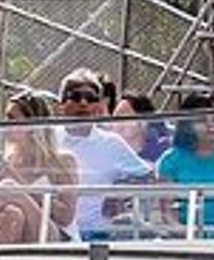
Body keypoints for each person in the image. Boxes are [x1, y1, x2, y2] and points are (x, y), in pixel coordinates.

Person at [0, 91, 78, 246]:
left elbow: (65, 217)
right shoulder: (5, 160)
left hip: (53, 235)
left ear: (32, 125)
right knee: (12, 214)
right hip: (16, 226)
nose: (5, 124)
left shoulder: (62, 161)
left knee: (9, 187)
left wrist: (18, 183)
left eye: (12, 118)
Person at [54, 67, 152, 239]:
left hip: (95, 234)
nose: (83, 103)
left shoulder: (111, 142)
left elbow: (149, 176)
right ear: (60, 105)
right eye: (75, 97)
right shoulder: (49, 139)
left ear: (98, 106)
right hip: (54, 232)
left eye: (91, 98)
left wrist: (119, 193)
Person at [154, 92, 214, 235]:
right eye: (201, 120)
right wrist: (190, 237)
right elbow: (167, 213)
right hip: (186, 240)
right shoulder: (170, 160)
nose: (210, 126)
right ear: (186, 124)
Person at [110, 90, 171, 162]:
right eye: (116, 116)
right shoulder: (108, 150)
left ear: (143, 121)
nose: (117, 123)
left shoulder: (162, 153)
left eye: (124, 116)